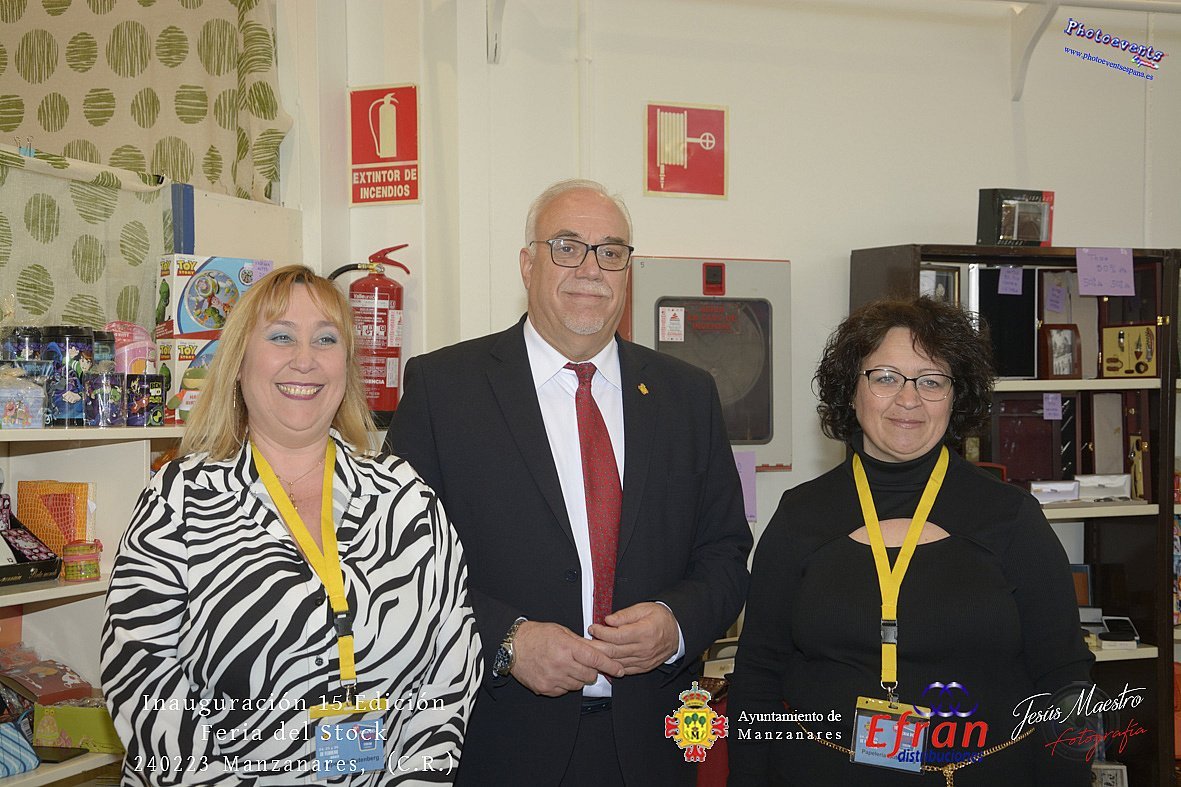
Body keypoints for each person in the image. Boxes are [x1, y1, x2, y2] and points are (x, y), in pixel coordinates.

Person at [386, 179, 752, 785]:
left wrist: (676, 623)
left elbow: (726, 553)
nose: (590, 268)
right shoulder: (443, 390)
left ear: (627, 271)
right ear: (527, 264)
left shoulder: (687, 395)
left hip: (652, 743)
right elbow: (402, 566)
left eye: (610, 251)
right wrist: (505, 641)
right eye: (566, 246)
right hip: (499, 740)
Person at [102, 266, 481, 785]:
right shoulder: (179, 499)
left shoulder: (405, 498)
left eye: (326, 340)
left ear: (346, 366)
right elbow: (140, 675)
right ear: (238, 363)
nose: (305, 359)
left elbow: (452, 665)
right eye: (281, 337)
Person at [727, 296, 1093, 786]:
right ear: (850, 391)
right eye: (885, 377)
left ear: (956, 397)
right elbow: (758, 675)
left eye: (931, 380)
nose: (909, 399)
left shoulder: (1011, 518)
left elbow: (1065, 676)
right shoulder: (801, 517)